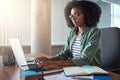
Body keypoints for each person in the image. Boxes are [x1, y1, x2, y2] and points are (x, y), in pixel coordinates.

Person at [34, 0, 102, 69]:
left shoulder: (94, 32)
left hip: (91, 71)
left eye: (77, 15)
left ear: (87, 14)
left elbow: (85, 59)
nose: (73, 19)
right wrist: (49, 60)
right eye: (71, 16)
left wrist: (55, 63)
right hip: (75, 69)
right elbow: (65, 53)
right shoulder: (73, 32)